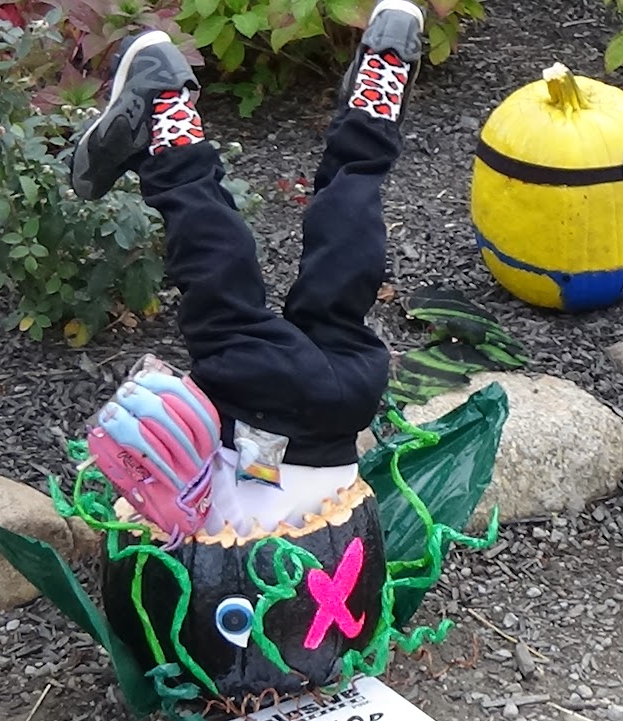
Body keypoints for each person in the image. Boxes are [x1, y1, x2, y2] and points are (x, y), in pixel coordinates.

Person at [70, 0, 425, 544]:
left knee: (342, 271)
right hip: (265, 413)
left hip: (351, 397)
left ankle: (379, 88)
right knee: (221, 295)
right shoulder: (238, 555)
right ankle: (167, 118)